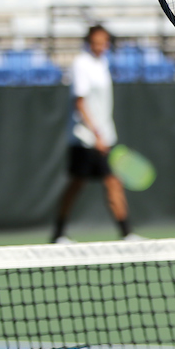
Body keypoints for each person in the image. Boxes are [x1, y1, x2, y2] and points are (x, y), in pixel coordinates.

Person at [51, 25, 140, 244]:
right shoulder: (81, 64)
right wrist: (96, 135)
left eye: (104, 42)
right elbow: (79, 103)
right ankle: (59, 233)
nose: (101, 46)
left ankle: (126, 233)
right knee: (77, 185)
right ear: (89, 42)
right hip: (85, 139)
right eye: (97, 42)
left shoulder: (103, 63)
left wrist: (104, 135)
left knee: (112, 181)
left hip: (103, 138)